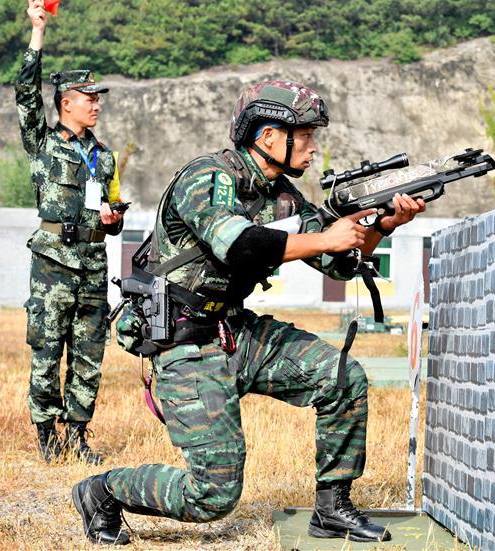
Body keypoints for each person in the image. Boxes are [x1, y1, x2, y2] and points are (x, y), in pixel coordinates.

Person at [71, 80, 425, 545]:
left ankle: (332, 509)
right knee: (212, 496)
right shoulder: (207, 177)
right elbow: (238, 245)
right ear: (268, 136)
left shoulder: (284, 197)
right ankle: (102, 491)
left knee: (342, 378)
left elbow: (339, 264)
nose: (313, 147)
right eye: (305, 135)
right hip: (185, 344)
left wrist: (382, 225)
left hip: (234, 331)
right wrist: (324, 237)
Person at [16, 0, 125, 465]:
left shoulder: (105, 156)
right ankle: (47, 433)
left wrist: (115, 218)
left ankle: (78, 435)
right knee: (46, 349)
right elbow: (25, 93)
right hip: (53, 263)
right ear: (66, 103)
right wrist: (37, 31)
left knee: (88, 353)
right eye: (89, 98)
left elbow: (114, 210)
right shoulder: (42, 143)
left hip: (93, 264)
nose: (96, 105)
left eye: (98, 98)